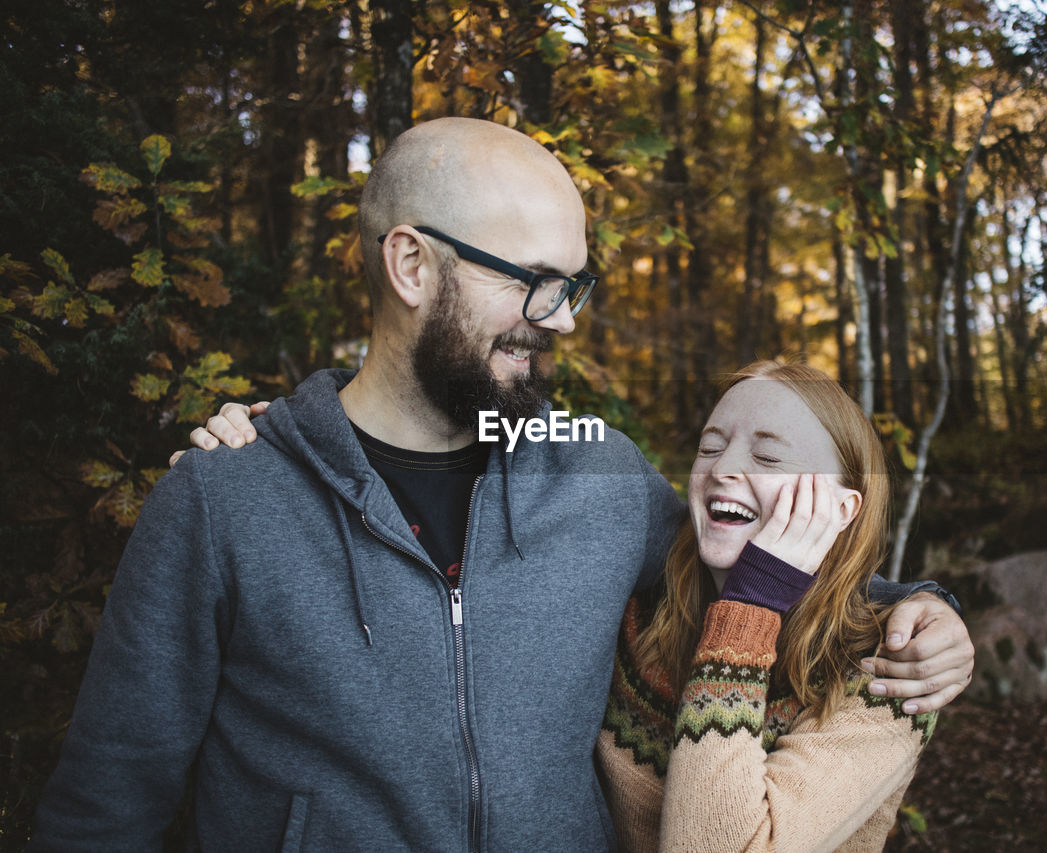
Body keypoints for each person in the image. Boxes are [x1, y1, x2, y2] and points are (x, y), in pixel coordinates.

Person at [32, 118, 971, 851]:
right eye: (534, 280)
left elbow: (737, 555)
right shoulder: (222, 499)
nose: (560, 322)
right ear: (411, 265)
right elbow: (105, 808)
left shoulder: (591, 467)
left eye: (573, 286)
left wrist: (921, 610)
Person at [598, 360, 937, 851]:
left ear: (842, 510)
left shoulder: (887, 674)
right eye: (710, 447)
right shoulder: (634, 622)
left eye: (769, 457)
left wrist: (749, 606)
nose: (722, 467)